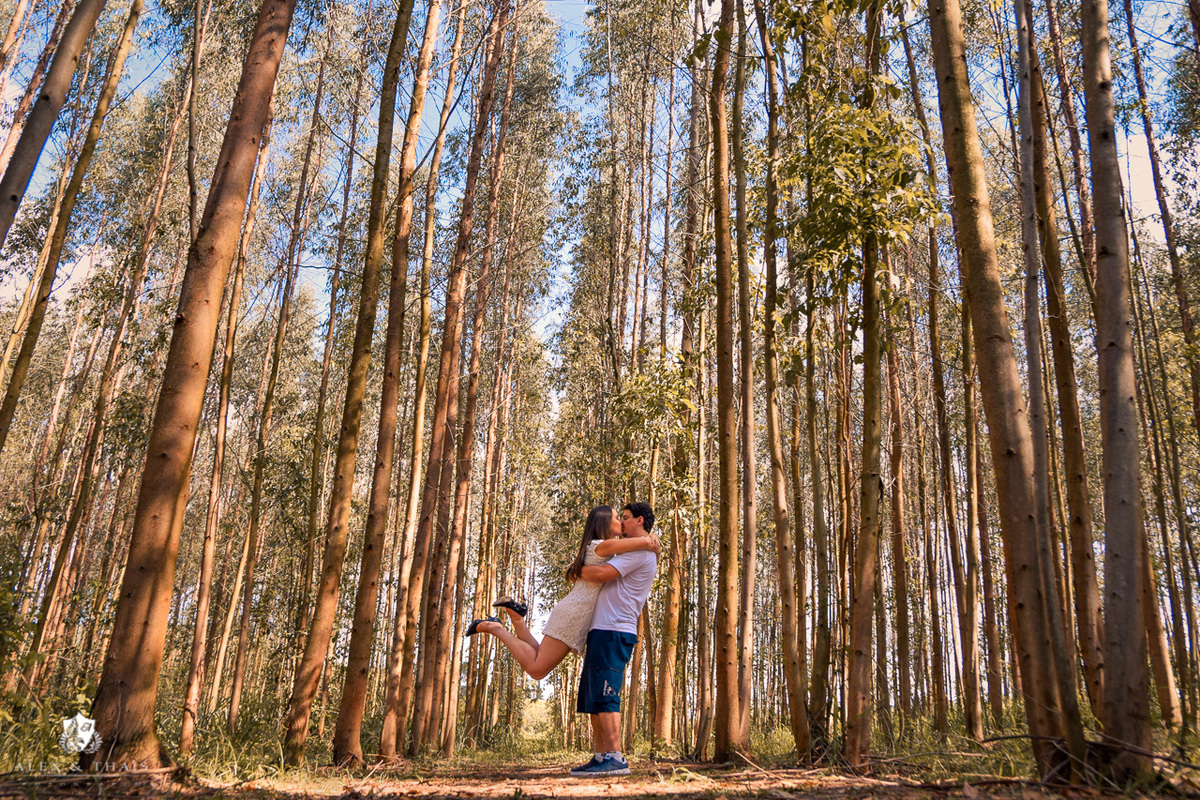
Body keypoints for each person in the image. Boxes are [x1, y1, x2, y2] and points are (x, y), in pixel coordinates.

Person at [465, 505, 660, 682]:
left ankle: (517, 620)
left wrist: (651, 543)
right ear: (605, 522)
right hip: (576, 612)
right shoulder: (602, 545)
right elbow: (642, 544)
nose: (622, 522)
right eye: (618, 518)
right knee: (537, 670)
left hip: (575, 609)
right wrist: (651, 541)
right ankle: (495, 628)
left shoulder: (601, 547)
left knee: (539, 655)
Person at [569, 502, 658, 778]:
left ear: (639, 521)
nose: (622, 523)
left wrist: (575, 569)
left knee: (607, 693)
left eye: (626, 518)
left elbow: (600, 574)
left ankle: (616, 756)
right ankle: (600, 756)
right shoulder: (633, 548)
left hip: (615, 629)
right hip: (603, 629)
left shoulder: (640, 550)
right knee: (594, 696)